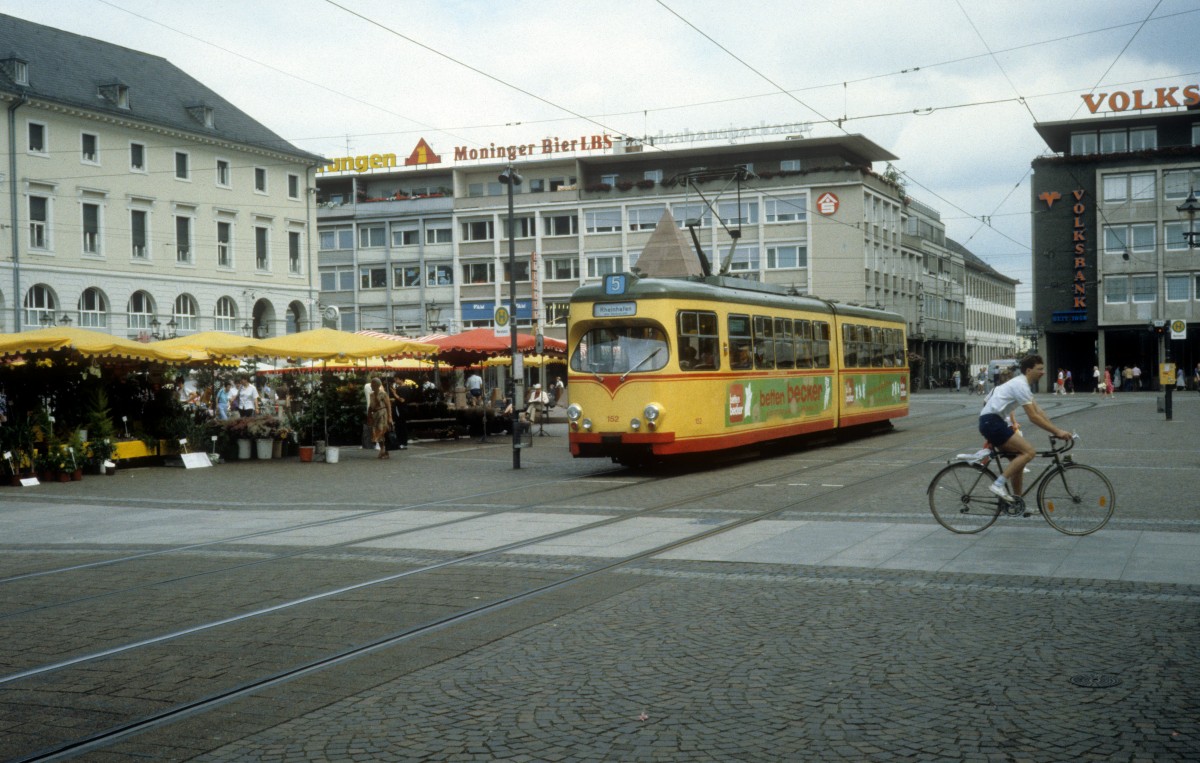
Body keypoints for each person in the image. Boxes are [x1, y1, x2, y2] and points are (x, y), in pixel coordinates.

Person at [978, 355, 1073, 504]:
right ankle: (998, 484)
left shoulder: (1024, 385)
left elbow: (1039, 412)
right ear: (1029, 370)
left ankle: (1017, 503)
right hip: (992, 422)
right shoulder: (1020, 385)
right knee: (1029, 452)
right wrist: (1057, 432)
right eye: (1039, 369)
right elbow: (1033, 417)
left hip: (993, 421)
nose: (1043, 372)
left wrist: (1057, 430)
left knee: (1018, 462)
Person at [367, 377, 393, 459]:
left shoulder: (383, 394)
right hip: (375, 415)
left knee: (382, 431)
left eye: (372, 383)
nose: (371, 385)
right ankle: (382, 449)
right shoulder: (371, 394)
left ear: (377, 385)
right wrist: (369, 415)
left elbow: (388, 406)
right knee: (377, 432)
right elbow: (370, 406)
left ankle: (385, 451)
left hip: (383, 414)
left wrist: (390, 417)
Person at [388, 374, 410, 450]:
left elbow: (402, 400)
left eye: (397, 379)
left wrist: (394, 393)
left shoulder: (403, 389)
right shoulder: (405, 388)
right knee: (401, 425)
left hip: (400, 409)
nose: (395, 381)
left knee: (401, 426)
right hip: (402, 409)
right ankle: (402, 442)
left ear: (401, 379)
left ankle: (402, 442)